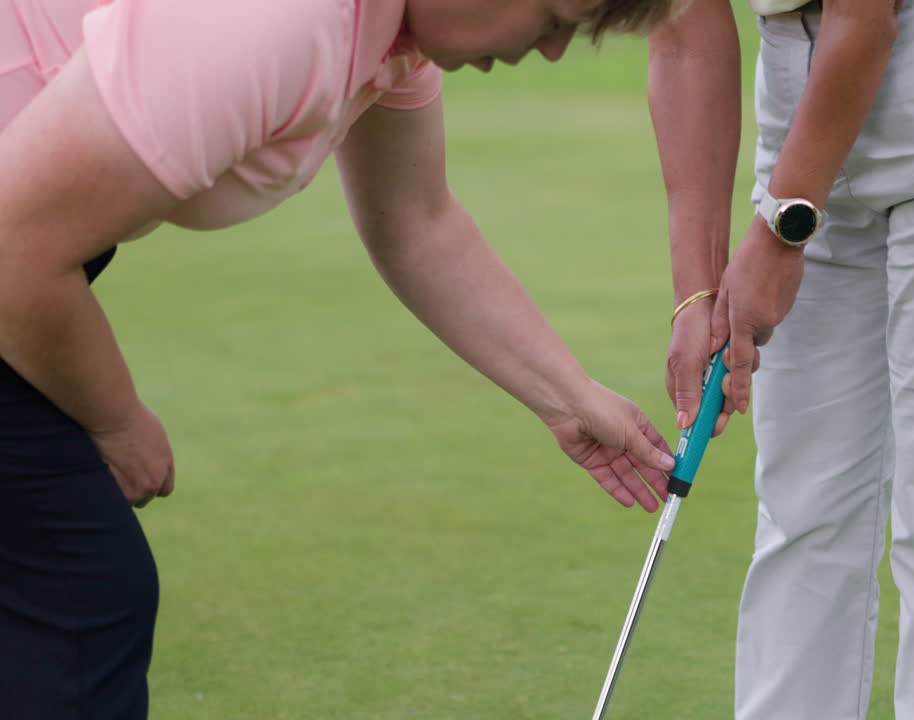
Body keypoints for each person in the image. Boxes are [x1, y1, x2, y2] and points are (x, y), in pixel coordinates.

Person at [0, 0, 685, 717]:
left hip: (33, 259)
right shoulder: (281, 20)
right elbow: (14, 248)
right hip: (21, 259)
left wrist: (568, 397)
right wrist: (117, 423)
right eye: (552, 18)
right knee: (79, 593)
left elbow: (416, 222)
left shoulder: (395, 41)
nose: (549, 52)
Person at [649, 0, 914, 718]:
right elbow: (685, 33)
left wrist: (784, 229)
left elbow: (865, 13)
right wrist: (698, 293)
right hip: (796, 73)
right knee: (802, 506)